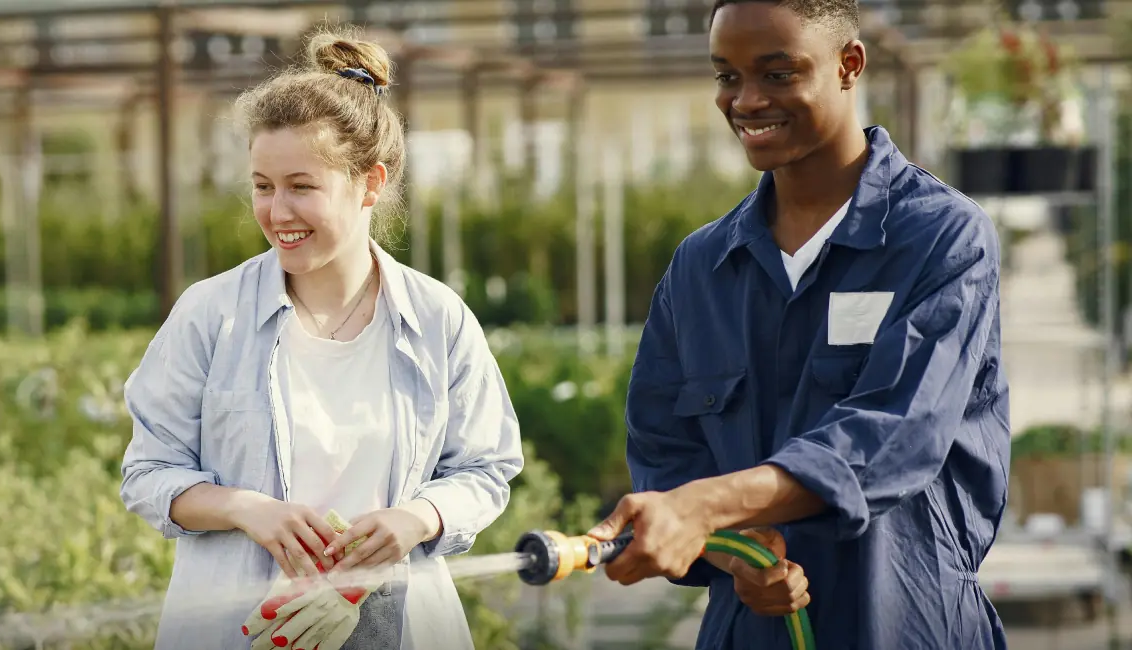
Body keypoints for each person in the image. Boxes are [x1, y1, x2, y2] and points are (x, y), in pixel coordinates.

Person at [585, 1, 1011, 649]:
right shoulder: (701, 268)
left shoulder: (942, 238)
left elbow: (895, 434)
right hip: (748, 631)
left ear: (849, 65)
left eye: (778, 74)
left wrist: (705, 508)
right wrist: (738, 555)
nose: (747, 101)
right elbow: (665, 456)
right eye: (727, 76)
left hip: (907, 622)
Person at [117, 27, 524, 650]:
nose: (278, 211)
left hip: (403, 628)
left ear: (371, 183)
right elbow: (148, 473)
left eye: (302, 186)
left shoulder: (438, 319)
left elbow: (486, 467)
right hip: (240, 630)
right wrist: (247, 509)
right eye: (262, 186)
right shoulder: (210, 315)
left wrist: (417, 518)